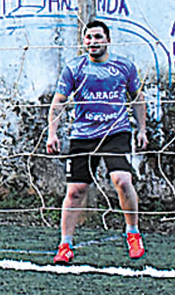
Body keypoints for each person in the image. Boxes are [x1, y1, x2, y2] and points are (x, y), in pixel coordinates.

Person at [45, 19, 149, 264]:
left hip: (115, 132)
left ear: (108, 40)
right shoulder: (74, 68)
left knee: (122, 180)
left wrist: (142, 130)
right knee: (76, 191)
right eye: (89, 37)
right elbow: (59, 101)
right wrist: (52, 133)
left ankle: (133, 233)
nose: (93, 42)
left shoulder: (124, 66)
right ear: (84, 41)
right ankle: (65, 245)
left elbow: (137, 98)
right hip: (83, 135)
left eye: (98, 37)